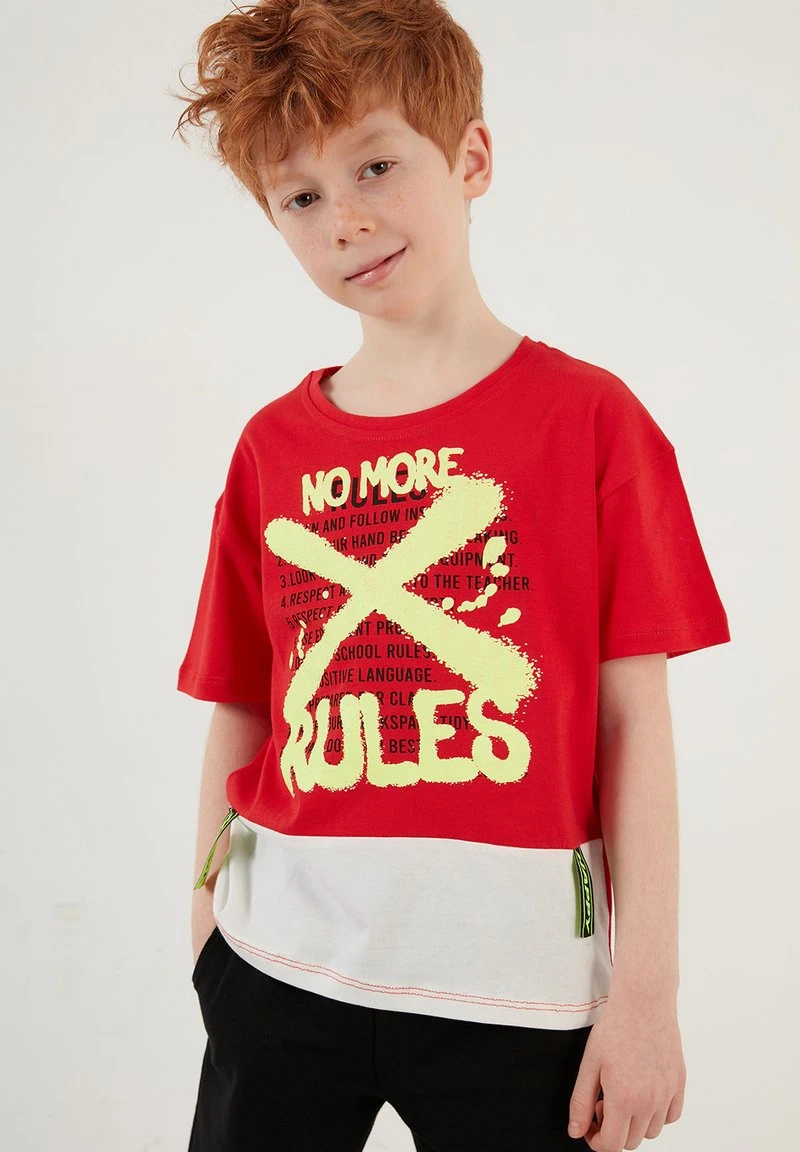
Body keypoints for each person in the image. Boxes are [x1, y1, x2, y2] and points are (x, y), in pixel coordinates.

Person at [172, 2, 731, 1149]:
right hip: (278, 968)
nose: (346, 219)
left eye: (375, 165)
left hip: (517, 995)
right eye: (300, 197)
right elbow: (241, 701)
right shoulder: (271, 449)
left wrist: (645, 999)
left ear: (470, 157)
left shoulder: (590, 423)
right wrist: (206, 935)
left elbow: (631, 721)